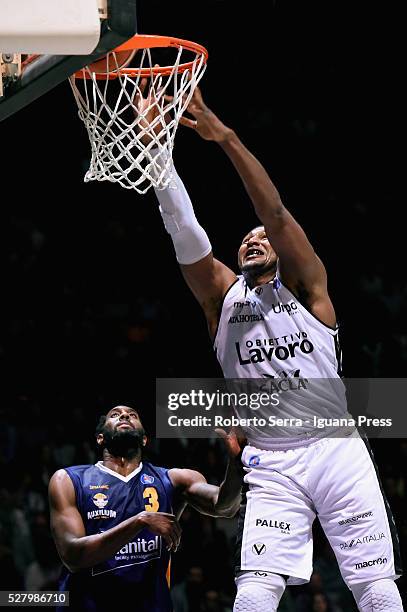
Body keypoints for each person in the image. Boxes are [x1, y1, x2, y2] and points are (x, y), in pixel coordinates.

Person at [141, 86, 404, 611]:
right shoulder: (222, 297)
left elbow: (277, 213)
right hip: (271, 462)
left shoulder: (307, 288)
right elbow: (185, 233)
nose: (253, 238)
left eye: (263, 238)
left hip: (336, 451)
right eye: (246, 237)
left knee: (374, 588)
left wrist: (227, 138)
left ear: (282, 253)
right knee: (256, 590)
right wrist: (157, 157)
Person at [48, 405, 243, 612]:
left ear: (144, 439)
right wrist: (139, 521)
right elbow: (73, 557)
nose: (124, 415)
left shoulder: (173, 480)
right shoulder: (69, 480)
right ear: (100, 438)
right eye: (115, 415)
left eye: (133, 415)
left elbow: (224, 507)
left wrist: (236, 463)